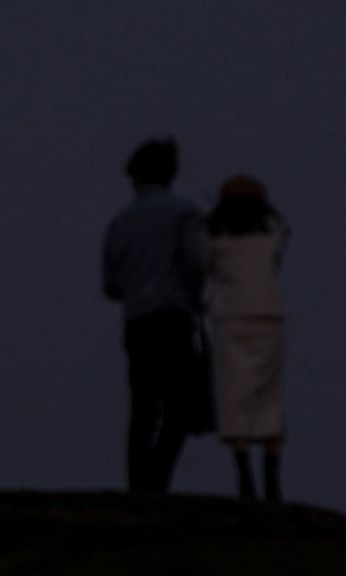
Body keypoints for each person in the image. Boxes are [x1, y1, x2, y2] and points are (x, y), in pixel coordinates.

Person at [103, 138, 212, 493]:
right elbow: (196, 263)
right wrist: (196, 298)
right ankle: (159, 482)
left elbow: (110, 284)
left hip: (137, 321)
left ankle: (138, 487)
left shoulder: (120, 222)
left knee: (143, 407)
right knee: (178, 407)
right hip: (173, 317)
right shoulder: (185, 213)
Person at [205, 174, 290, 502]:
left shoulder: (214, 237)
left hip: (230, 317)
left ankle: (244, 474)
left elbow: (204, 267)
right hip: (269, 315)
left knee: (234, 395)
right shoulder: (273, 234)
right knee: (268, 395)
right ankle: (272, 473)